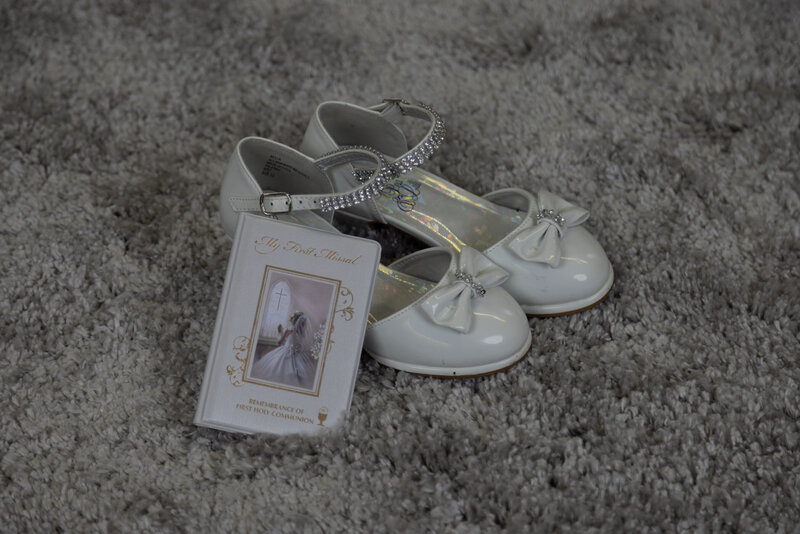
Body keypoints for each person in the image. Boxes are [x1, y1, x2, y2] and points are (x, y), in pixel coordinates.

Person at [251, 311, 317, 389]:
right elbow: (301, 346)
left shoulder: (289, 331)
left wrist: (280, 332)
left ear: (293, 321)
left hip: (285, 353)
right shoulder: (303, 335)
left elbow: (280, 342)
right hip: (299, 355)